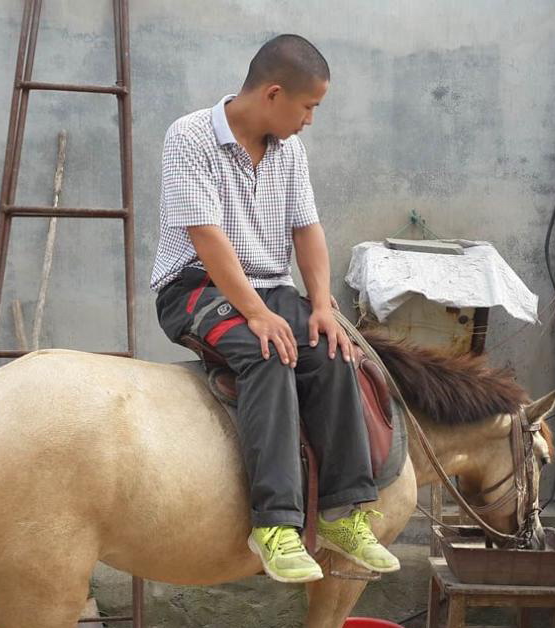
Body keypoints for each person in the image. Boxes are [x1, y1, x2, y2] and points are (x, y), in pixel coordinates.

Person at [150, 34, 400, 583]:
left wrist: (319, 305)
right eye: (308, 107)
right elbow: (207, 237)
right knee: (267, 352)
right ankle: (275, 524)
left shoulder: (289, 151)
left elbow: (307, 231)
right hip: (196, 287)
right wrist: (257, 315)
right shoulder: (190, 136)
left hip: (269, 287)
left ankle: (342, 512)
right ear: (274, 93)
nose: (311, 119)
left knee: (334, 349)